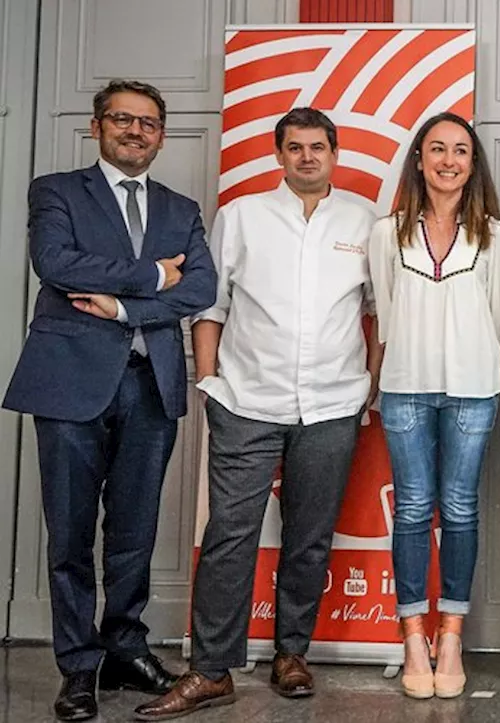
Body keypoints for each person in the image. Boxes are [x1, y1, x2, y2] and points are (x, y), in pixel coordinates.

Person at [134, 108, 380, 720]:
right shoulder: (240, 216)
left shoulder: (364, 220)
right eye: (294, 147)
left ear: (334, 153)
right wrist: (212, 381)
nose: (306, 157)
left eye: (317, 147)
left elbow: (379, 307)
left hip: (332, 403)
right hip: (247, 400)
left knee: (309, 536)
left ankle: (291, 655)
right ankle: (212, 670)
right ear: (278, 155)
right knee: (228, 538)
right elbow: (210, 304)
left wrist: (369, 382)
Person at [2, 79, 216, 722]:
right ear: (97, 126)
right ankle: (79, 666)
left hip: (149, 386)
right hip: (70, 382)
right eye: (122, 119)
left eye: (149, 123)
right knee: (69, 533)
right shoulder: (58, 191)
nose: (135, 131)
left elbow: (200, 287)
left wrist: (123, 304)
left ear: (160, 135)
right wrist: (154, 275)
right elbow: (57, 263)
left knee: (134, 532)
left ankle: (125, 646)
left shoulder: (180, 209)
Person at [368, 111, 500, 699]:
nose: (448, 161)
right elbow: (383, 314)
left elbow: (499, 318)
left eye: (460, 151)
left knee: (458, 508)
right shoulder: (387, 232)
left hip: (474, 388)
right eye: (437, 150)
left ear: (472, 163)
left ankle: (449, 635)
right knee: (411, 509)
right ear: (420, 160)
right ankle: (411, 635)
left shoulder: (495, 235)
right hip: (404, 384)